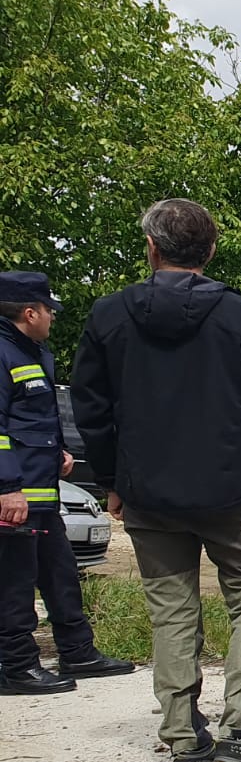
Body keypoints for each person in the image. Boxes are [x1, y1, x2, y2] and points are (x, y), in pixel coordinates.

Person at [71, 198, 241, 762]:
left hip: (146, 490)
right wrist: (228, 414)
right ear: (211, 251)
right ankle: (240, 729)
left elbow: (91, 409)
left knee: (171, 609)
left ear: (151, 248)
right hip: (229, 485)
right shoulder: (240, 315)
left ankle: (183, 741)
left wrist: (110, 482)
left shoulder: (109, 315)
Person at [0, 272, 134, 695]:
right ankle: (16, 665)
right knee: (16, 585)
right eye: (48, 311)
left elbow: (34, 417)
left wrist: (56, 449)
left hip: (42, 496)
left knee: (61, 576)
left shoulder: (34, 353)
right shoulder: (3, 353)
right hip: (15, 497)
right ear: (29, 312)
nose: (53, 319)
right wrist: (6, 487)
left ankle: (78, 651)